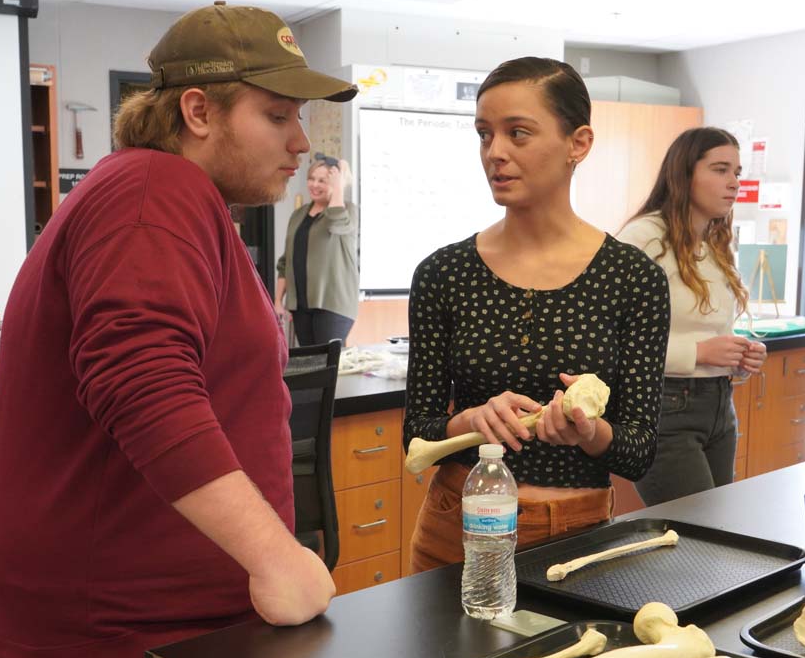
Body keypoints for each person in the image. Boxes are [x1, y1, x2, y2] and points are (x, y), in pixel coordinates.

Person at [0, 2, 357, 658]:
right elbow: (143, 382)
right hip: (122, 644)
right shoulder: (154, 192)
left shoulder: (171, 199)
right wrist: (276, 558)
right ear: (198, 110)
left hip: (147, 628)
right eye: (277, 114)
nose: (302, 141)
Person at [402, 57, 670, 573]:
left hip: (575, 539)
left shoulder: (632, 278)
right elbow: (418, 429)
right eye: (485, 134)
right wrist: (469, 420)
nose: (495, 153)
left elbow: (637, 449)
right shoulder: (444, 273)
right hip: (457, 527)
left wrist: (590, 433)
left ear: (579, 143)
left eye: (518, 133)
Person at [616, 128, 766, 505]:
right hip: (665, 408)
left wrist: (741, 356)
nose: (734, 183)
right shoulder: (643, 237)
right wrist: (698, 353)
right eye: (720, 169)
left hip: (718, 404)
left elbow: (714, 332)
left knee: (717, 532)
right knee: (694, 536)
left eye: (737, 171)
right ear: (683, 174)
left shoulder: (714, 242)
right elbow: (611, 343)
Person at [274, 154, 359, 345]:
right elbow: (285, 261)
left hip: (333, 304)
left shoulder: (347, 211)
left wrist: (339, 185)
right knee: (311, 366)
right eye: (311, 179)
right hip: (300, 305)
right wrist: (278, 301)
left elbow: (337, 223)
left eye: (323, 180)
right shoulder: (298, 215)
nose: (314, 185)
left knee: (328, 364)